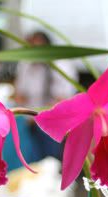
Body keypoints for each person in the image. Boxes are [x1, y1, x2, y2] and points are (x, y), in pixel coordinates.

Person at [13, 31, 77, 159]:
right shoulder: (26, 65)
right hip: (30, 121)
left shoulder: (61, 66)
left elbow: (63, 100)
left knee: (51, 159)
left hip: (52, 122)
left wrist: (39, 115)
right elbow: (19, 94)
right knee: (33, 158)